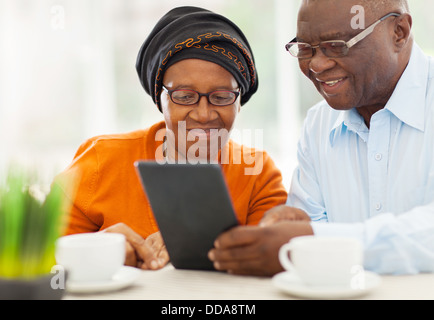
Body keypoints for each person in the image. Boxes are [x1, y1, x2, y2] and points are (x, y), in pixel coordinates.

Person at [208, 0, 434, 276]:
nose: (316, 64)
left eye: (337, 45)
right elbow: (306, 232)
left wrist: (313, 238)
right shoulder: (319, 123)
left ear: (398, 31)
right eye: (305, 49)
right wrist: (289, 228)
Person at [53, 6, 287, 270]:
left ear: (239, 102)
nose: (203, 114)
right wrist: (100, 250)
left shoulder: (258, 175)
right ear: (159, 100)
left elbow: (269, 266)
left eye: (222, 97)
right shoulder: (100, 161)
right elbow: (41, 260)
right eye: (184, 96)